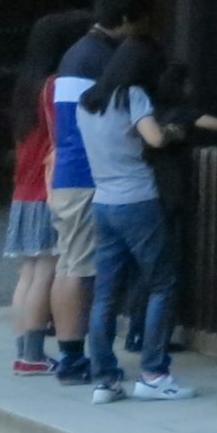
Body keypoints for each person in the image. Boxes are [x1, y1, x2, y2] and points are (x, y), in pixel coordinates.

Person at [73, 29, 190, 401]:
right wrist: (172, 132)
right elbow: (153, 138)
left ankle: (104, 379)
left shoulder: (87, 100)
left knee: (105, 294)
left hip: (102, 202)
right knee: (161, 284)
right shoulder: (133, 96)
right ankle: (153, 374)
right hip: (138, 200)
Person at [48, 0, 151, 384]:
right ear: (126, 18)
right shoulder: (99, 58)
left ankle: (70, 353)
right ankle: (73, 359)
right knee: (79, 268)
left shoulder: (77, 53)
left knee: (69, 263)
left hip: (69, 175)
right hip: (86, 175)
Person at [6, 9, 93, 375]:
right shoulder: (56, 85)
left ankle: (26, 352)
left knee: (28, 273)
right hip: (46, 189)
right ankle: (34, 355)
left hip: (22, 191)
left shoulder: (24, 85)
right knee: (47, 271)